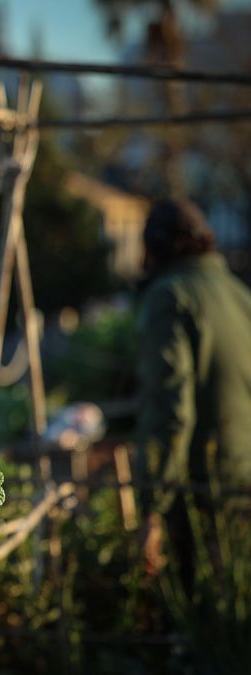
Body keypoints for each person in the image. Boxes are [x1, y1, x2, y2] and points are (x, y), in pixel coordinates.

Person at [135, 197, 251, 591]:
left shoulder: (170, 296)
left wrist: (154, 504)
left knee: (199, 613)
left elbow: (171, 407)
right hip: (243, 475)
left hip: (204, 486)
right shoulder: (238, 293)